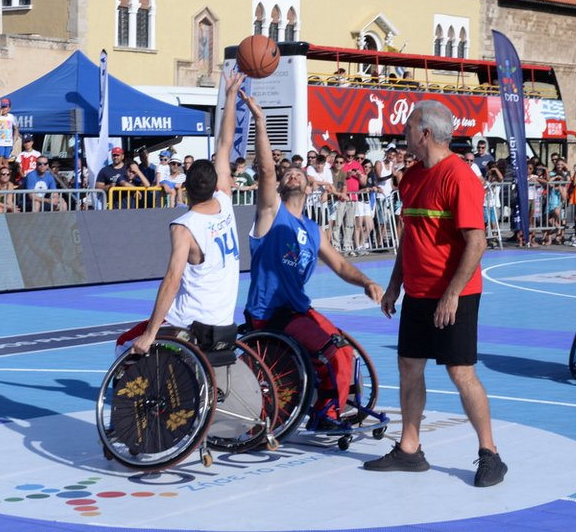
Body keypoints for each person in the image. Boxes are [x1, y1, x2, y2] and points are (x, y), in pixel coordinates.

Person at [365, 101, 506, 488]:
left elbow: (476, 242)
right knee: (409, 367)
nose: (404, 133)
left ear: (425, 133)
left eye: (409, 127)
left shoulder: (459, 177)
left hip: (455, 293)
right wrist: (395, 284)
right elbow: (410, 237)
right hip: (418, 292)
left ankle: (490, 453)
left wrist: (452, 293)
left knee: (461, 372)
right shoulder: (411, 177)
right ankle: (409, 449)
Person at [243, 90, 383, 430]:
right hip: (269, 313)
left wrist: (366, 281)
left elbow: (341, 265)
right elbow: (266, 170)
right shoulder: (271, 213)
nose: (292, 175)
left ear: (309, 188)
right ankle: (324, 414)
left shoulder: (312, 229)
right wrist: (260, 122)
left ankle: (331, 406)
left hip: (296, 310)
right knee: (331, 349)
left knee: (344, 349)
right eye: (287, 174)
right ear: (280, 187)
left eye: (299, 174)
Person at [118, 72, 246, 356]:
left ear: (185, 187)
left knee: (124, 345)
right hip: (224, 317)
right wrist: (231, 98)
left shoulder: (185, 225)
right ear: (215, 185)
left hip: (191, 320)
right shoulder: (225, 201)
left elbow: (173, 279)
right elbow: (225, 144)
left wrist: (150, 333)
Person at [0, 97, 18, 173]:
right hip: (0, 142)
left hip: (8, 142)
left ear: (9, 108)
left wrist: (14, 139)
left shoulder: (11, 117)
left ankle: (6, 175)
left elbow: (16, 128)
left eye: (5, 107)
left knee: (6, 160)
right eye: (2, 107)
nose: (3, 109)